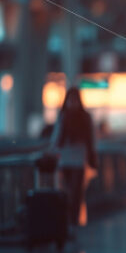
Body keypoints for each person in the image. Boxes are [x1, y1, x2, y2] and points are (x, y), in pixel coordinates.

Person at [51, 87, 98, 229]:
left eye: (75, 100)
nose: (73, 103)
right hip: (65, 161)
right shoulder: (63, 117)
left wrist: (92, 157)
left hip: (78, 162)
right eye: (71, 100)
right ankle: (69, 222)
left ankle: (73, 222)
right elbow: (56, 138)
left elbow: (91, 140)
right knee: (67, 192)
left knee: (76, 193)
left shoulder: (85, 119)